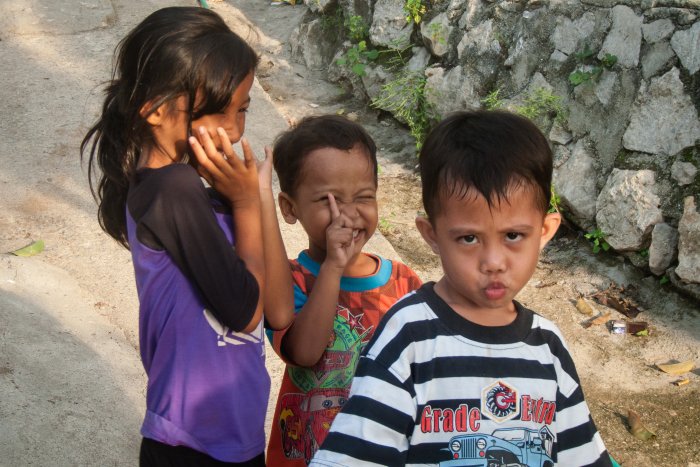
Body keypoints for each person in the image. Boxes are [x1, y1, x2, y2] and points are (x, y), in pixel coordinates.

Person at [311, 110, 613, 466]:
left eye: (513, 236)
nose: (493, 261)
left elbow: (583, 456)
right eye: (469, 238)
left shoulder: (548, 348)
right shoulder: (409, 337)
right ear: (432, 235)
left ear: (544, 231)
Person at [80, 7, 293, 466]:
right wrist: (243, 203)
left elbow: (280, 309)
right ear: (155, 110)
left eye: (243, 109)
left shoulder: (201, 191)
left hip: (238, 434)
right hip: (188, 444)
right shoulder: (170, 190)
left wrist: (254, 197)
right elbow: (248, 313)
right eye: (220, 111)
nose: (235, 131)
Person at [265, 115, 423, 466]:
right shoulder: (289, 280)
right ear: (290, 208)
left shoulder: (404, 283)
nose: (348, 215)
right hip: (308, 455)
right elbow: (304, 353)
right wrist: (333, 268)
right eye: (328, 200)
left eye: (364, 197)